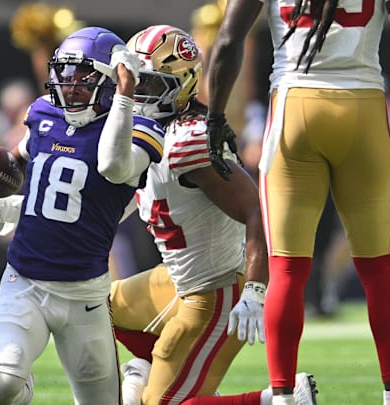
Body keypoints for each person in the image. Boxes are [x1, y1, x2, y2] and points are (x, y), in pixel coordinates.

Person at [204, 1, 390, 404]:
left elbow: (227, 39)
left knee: (288, 269)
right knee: (379, 269)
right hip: (362, 109)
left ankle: (283, 398)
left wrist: (215, 117)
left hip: (295, 106)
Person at [0, 26, 163, 404]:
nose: (70, 86)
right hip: (25, 280)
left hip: (85, 293)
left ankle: (137, 381)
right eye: (65, 74)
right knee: (0, 386)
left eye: (84, 77)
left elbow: (114, 167)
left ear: (112, 80)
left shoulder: (138, 127)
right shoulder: (43, 113)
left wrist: (125, 96)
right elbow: (21, 163)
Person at [99, 24, 315, 405]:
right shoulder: (149, 130)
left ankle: (280, 400)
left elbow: (256, 211)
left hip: (214, 293)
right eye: (136, 83)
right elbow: (131, 194)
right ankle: (154, 371)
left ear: (181, 84)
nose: (141, 95)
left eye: (151, 85)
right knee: (94, 307)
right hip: (178, 281)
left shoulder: (190, 142)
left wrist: (255, 290)